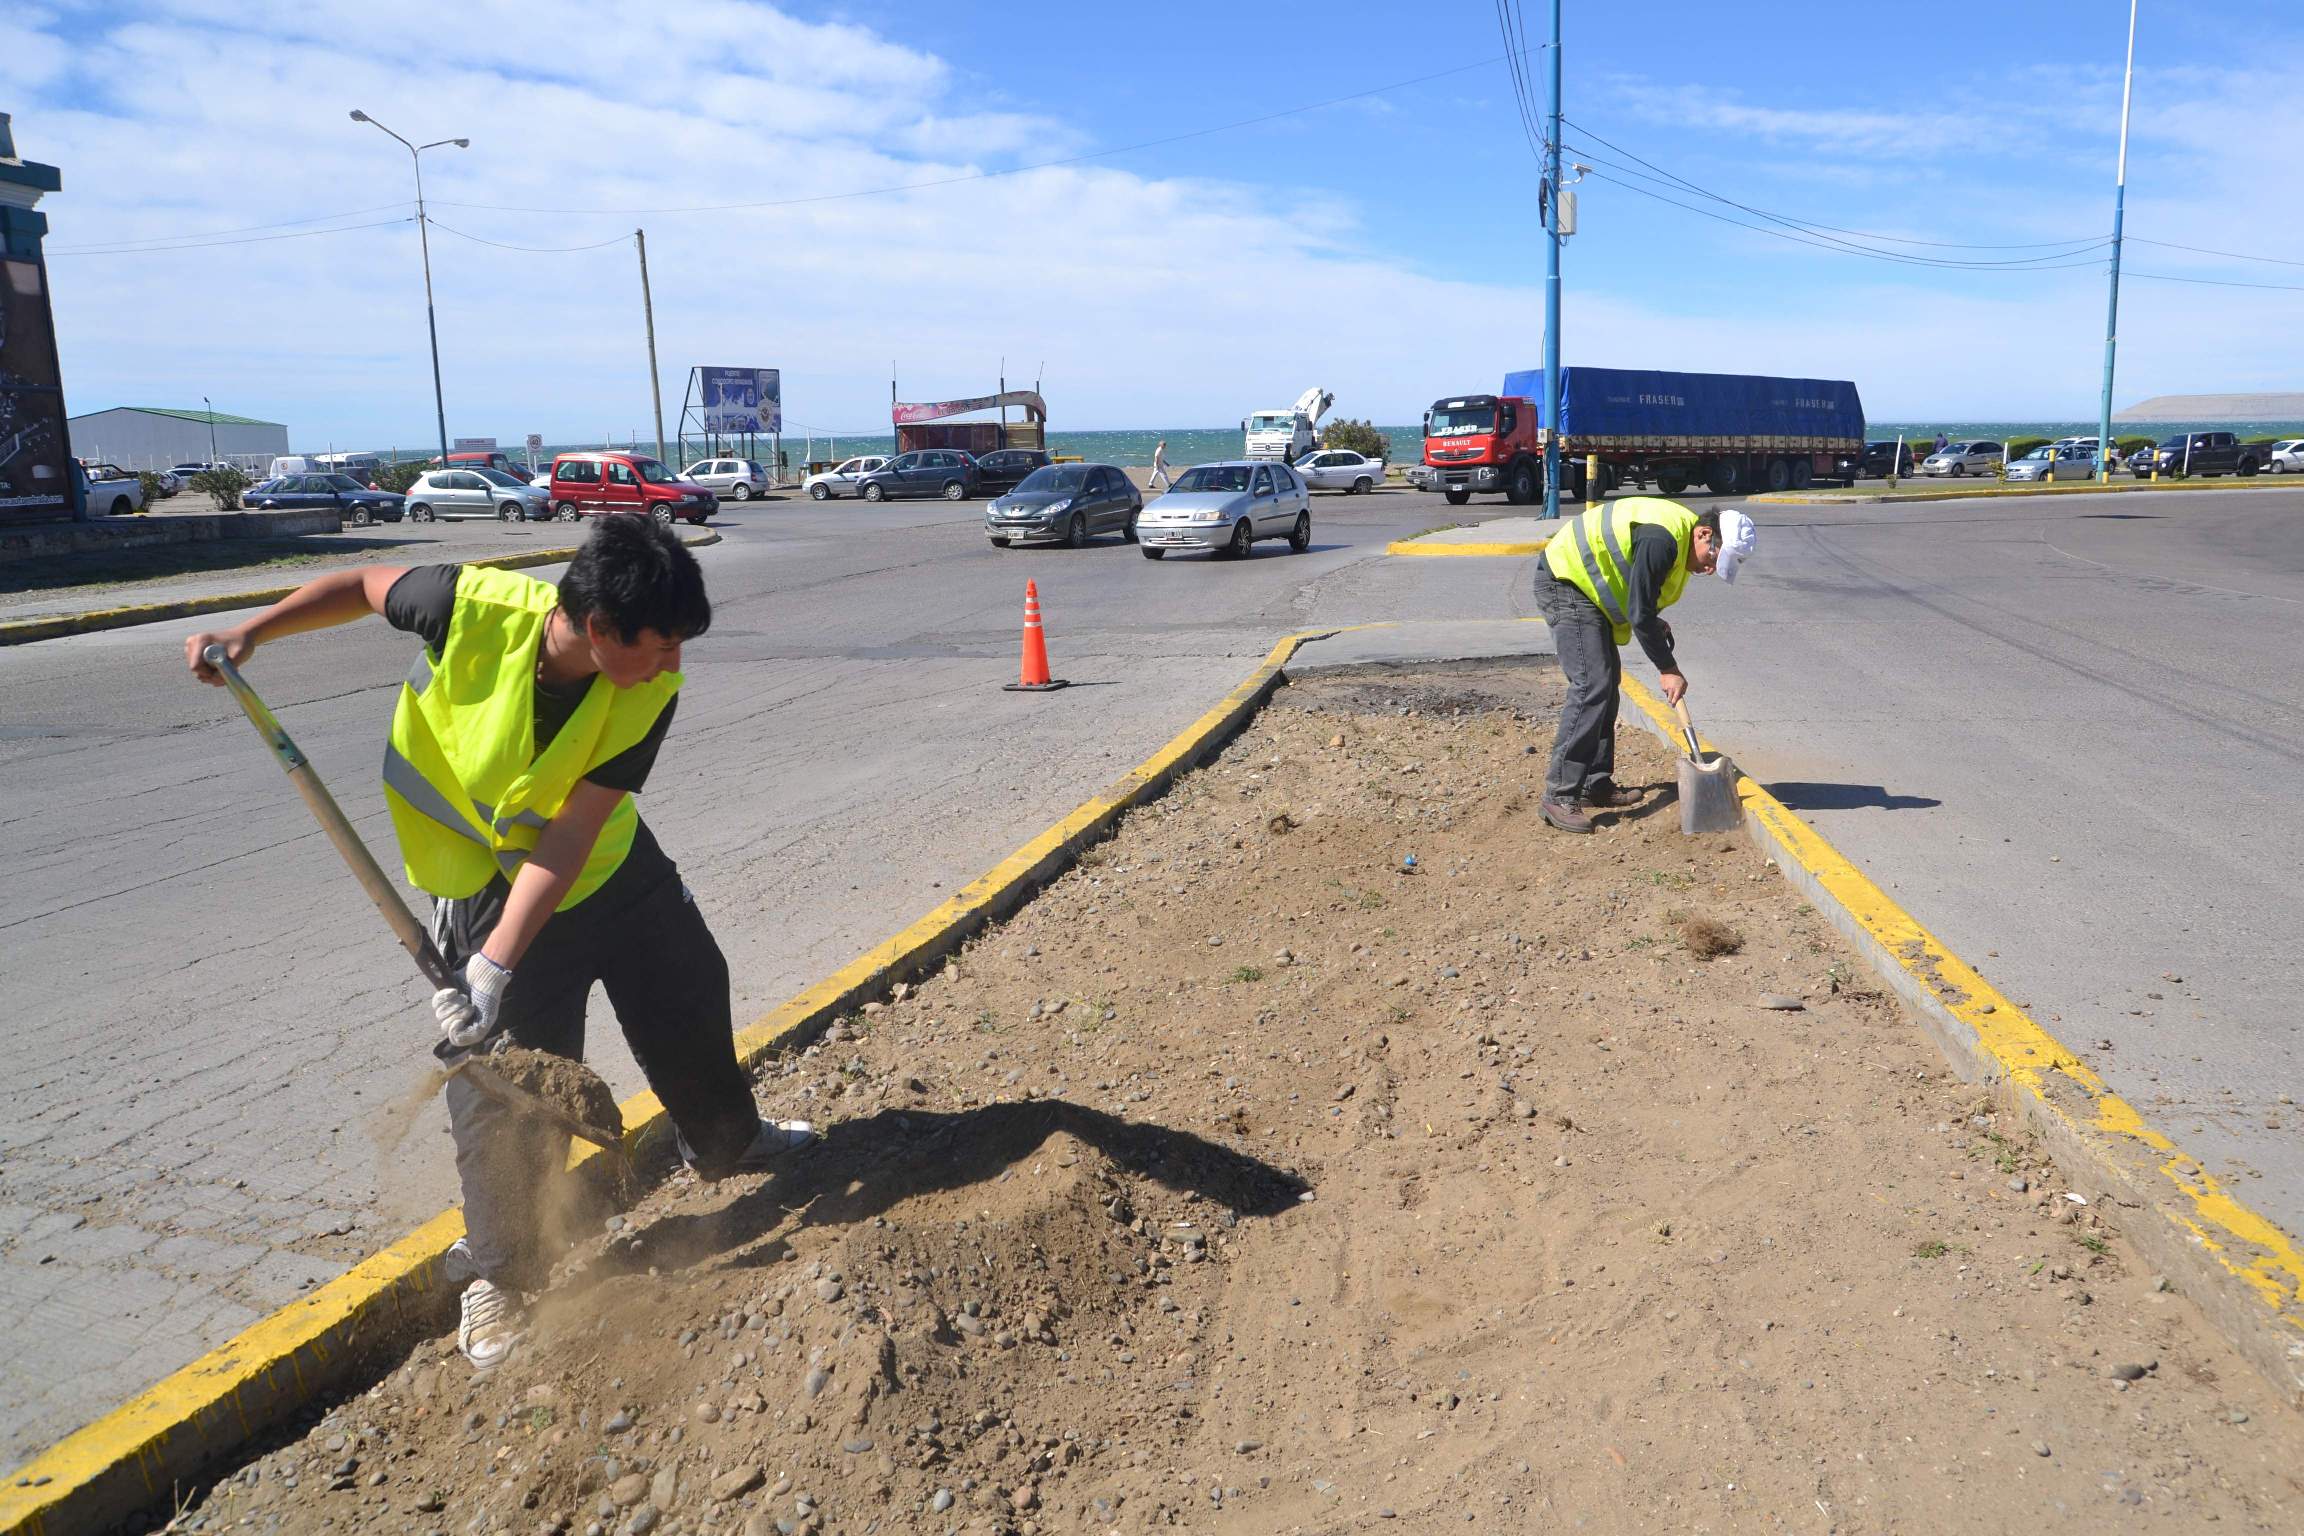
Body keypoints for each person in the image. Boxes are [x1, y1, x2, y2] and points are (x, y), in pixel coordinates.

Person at [184, 517, 814, 1370]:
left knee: (690, 985)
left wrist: (492, 966)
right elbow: (363, 585)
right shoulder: (466, 606)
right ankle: (501, 1276)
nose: (674, 665)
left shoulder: (650, 688)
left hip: (606, 862)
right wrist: (251, 632)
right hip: (483, 878)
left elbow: (574, 832)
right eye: (662, 645)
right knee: (510, 1081)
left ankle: (727, 1139)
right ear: (600, 627)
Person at [1531, 497, 1757, 834]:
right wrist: (1668, 668)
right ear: (1704, 534)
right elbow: (1639, 612)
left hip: (1587, 591)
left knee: (1606, 685)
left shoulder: (1679, 540)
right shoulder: (1662, 540)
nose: (1710, 569)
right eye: (1713, 558)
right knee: (1592, 684)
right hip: (1566, 583)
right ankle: (1560, 795)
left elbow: (1641, 600)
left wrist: (1652, 622)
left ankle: (1595, 783)